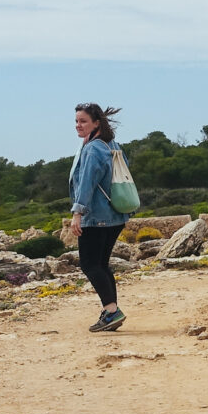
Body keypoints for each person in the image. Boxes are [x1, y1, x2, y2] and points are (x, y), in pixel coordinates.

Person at [68, 102, 131, 331]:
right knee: (101, 265)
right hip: (115, 215)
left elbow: (86, 183)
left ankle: (112, 311)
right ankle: (110, 312)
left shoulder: (94, 148)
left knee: (90, 264)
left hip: (96, 217)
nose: (78, 125)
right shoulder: (111, 144)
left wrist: (77, 213)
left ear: (96, 123)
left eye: (83, 121)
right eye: (76, 121)